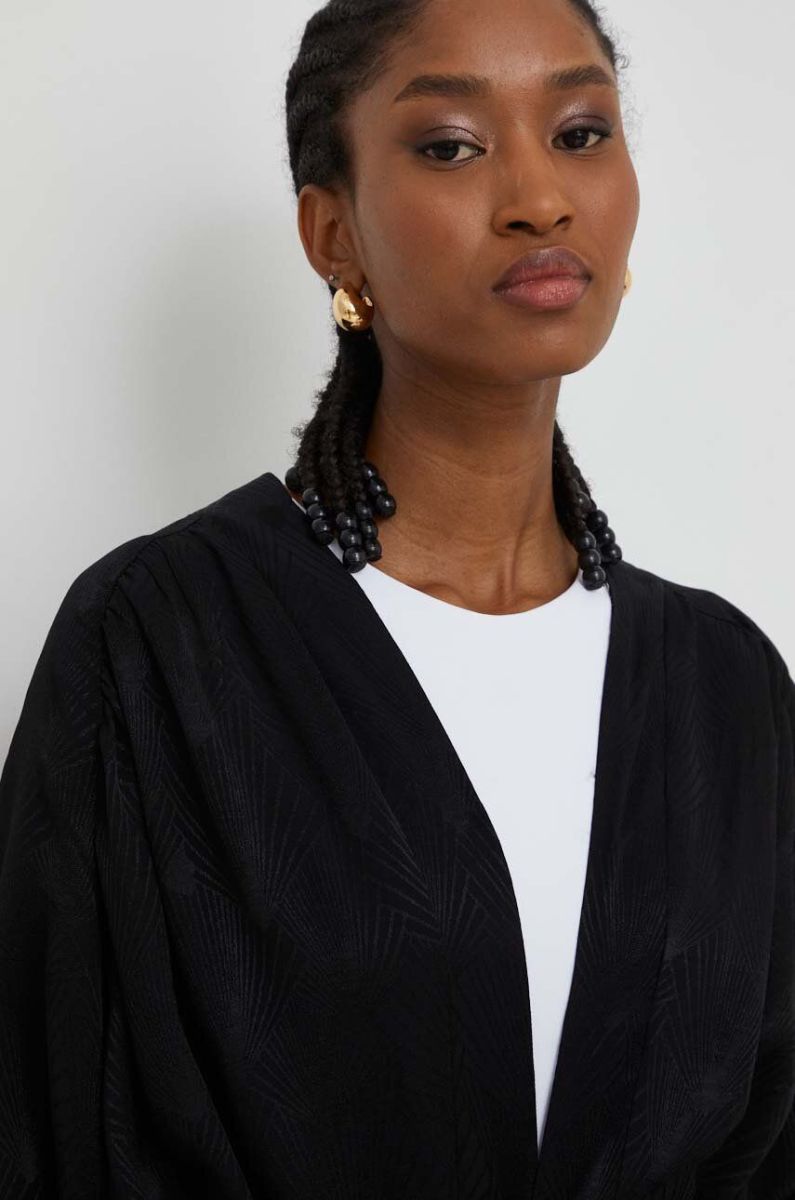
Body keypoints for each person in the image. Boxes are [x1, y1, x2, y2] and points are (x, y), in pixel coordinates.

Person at [0, 0, 792, 1195]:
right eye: (452, 146)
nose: (540, 197)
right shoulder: (159, 645)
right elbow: (54, 1121)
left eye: (581, 133)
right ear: (335, 236)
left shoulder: (728, 687)